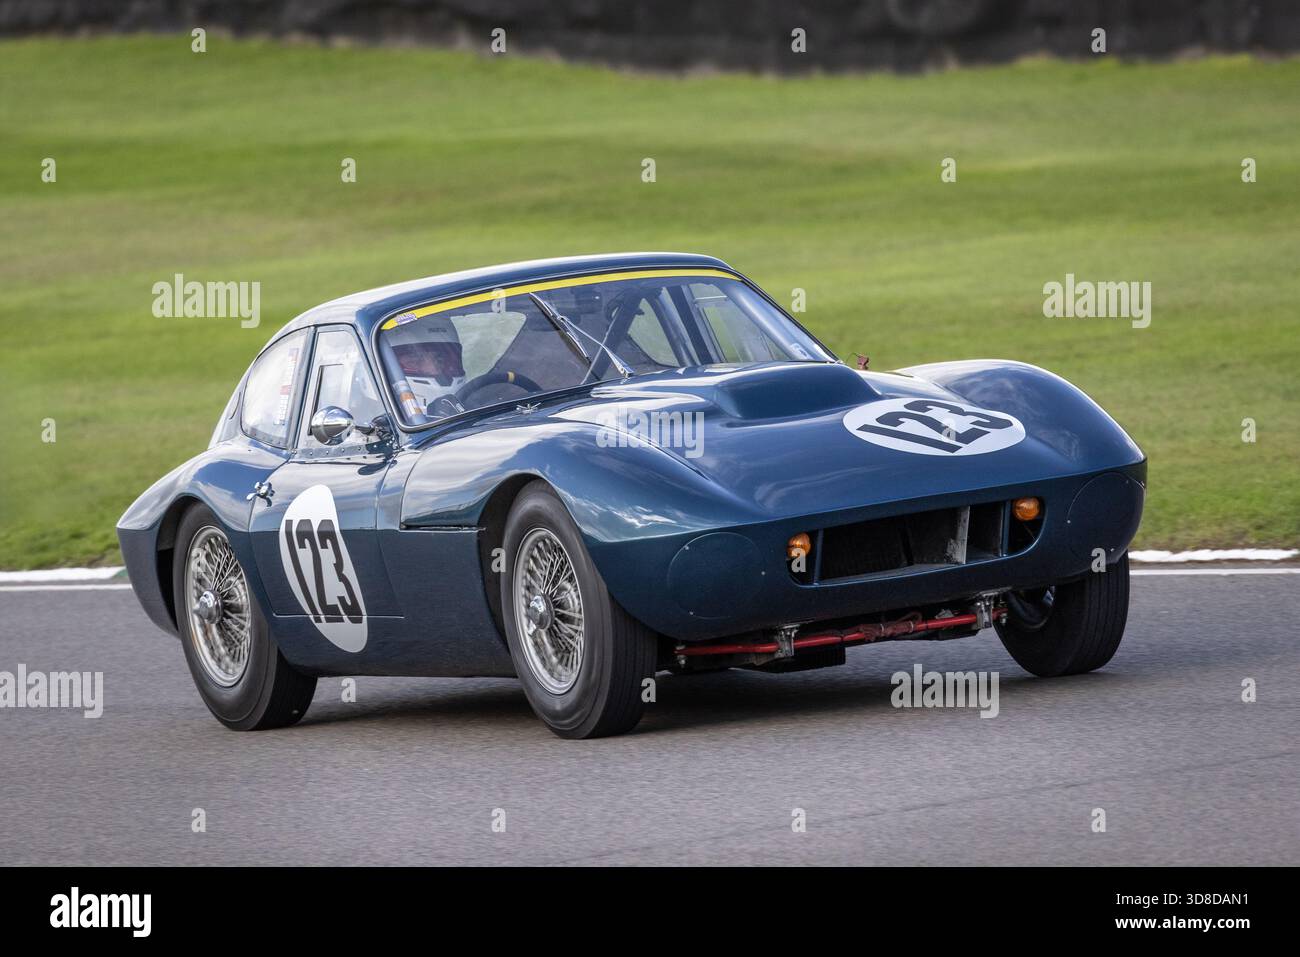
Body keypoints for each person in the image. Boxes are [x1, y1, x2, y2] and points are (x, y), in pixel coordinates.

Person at [386, 316, 467, 419]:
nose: (433, 369)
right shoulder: (361, 432)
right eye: (415, 359)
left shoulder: (475, 400)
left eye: (439, 359)